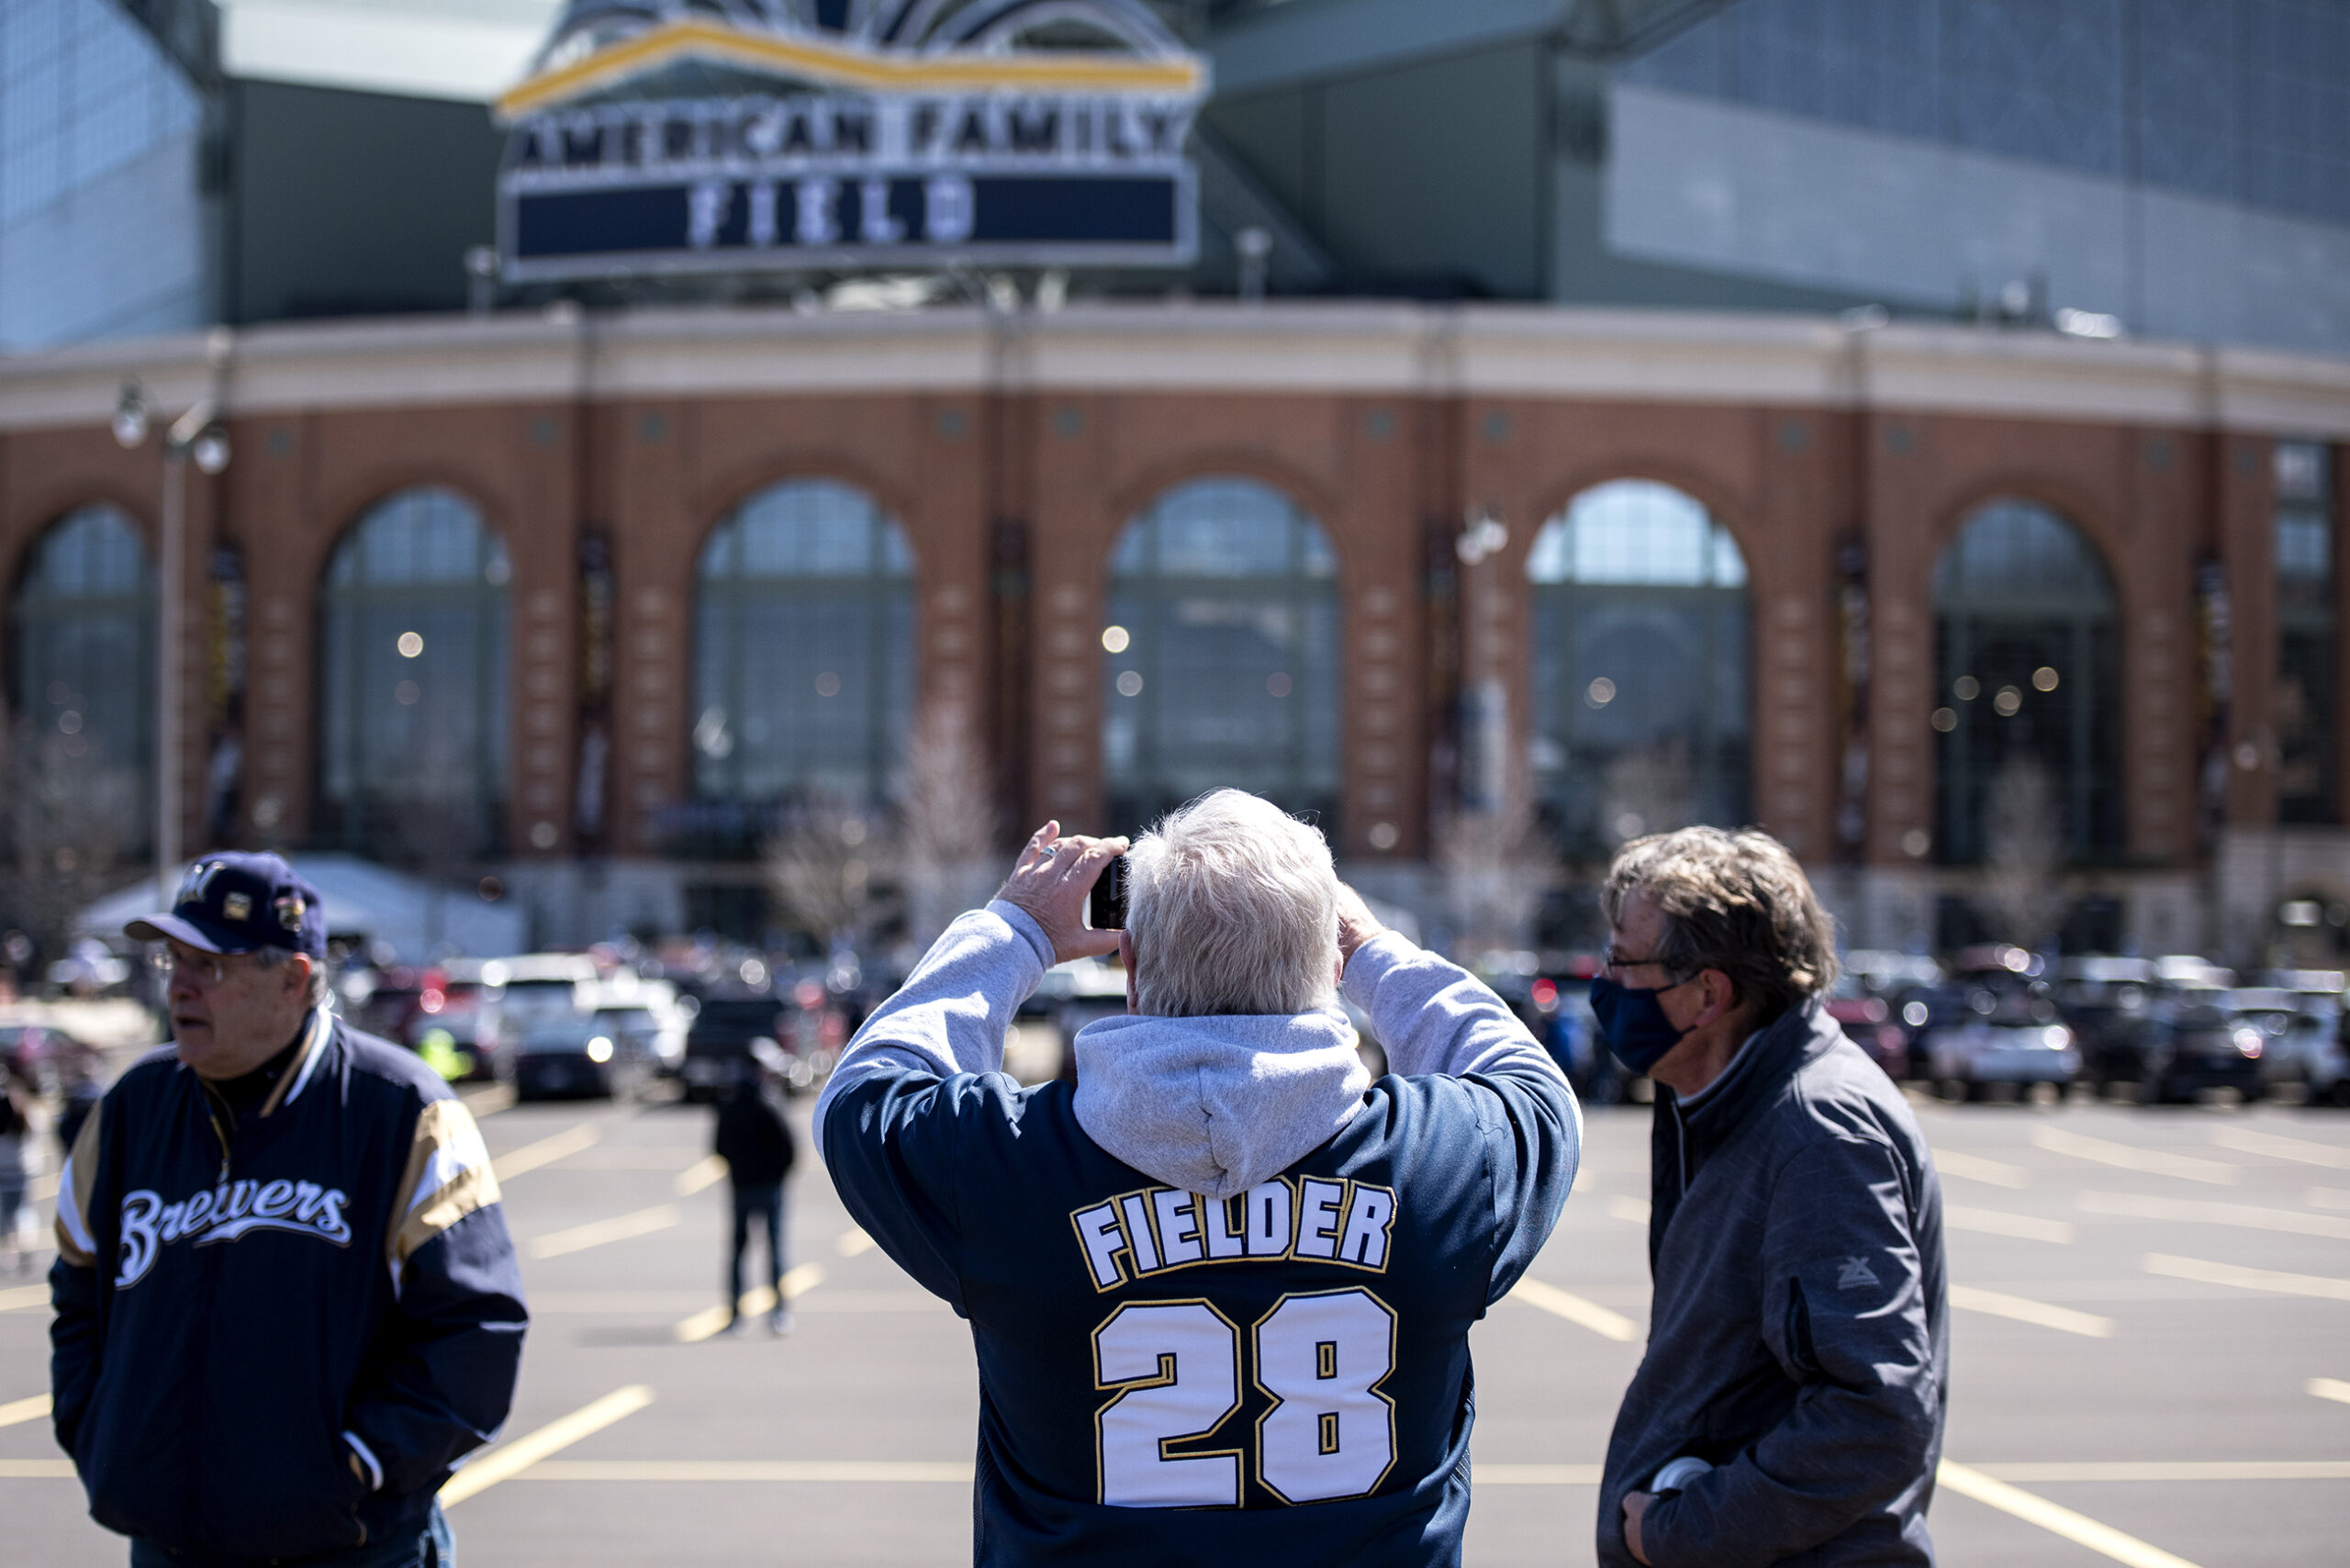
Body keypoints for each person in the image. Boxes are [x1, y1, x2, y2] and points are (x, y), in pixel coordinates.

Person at [817, 790, 1581, 1564]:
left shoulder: (1005, 1166)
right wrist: (1376, 951)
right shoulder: (1446, 1162)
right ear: (1330, 965)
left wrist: (1013, 929)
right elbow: (1532, 1083)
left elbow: (866, 1091)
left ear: (1135, 969)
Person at [51, 853, 528, 1568]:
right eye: (171, 960)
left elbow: (476, 1329)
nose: (178, 985)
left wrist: (356, 1467)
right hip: (170, 1543)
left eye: (208, 965)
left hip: (352, 1547)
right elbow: (77, 1291)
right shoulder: (132, 1109)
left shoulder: (404, 1110)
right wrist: (101, 1436)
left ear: (293, 980)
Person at [1590, 828, 1947, 1568]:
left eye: (1623, 960)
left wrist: (1681, 1531)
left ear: (1707, 994)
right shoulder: (1712, 1094)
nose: (1604, 980)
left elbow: (1876, 1414)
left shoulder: (1819, 1133)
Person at [713, 1038, 799, 1335]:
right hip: (768, 1187)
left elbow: (719, 1147)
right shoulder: (769, 1101)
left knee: (739, 1251)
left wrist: (740, 1169)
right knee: (774, 1251)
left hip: (742, 1186)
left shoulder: (730, 1101)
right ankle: (778, 1312)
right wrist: (775, 1174)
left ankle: (736, 1314)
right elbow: (789, 1149)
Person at [0, 1070, 32, 1274]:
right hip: (21, 1171)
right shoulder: (25, 1118)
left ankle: (9, 1254)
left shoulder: (14, 1119)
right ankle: (24, 1246)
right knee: (21, 1212)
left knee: (5, 1217)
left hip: (4, 1172)